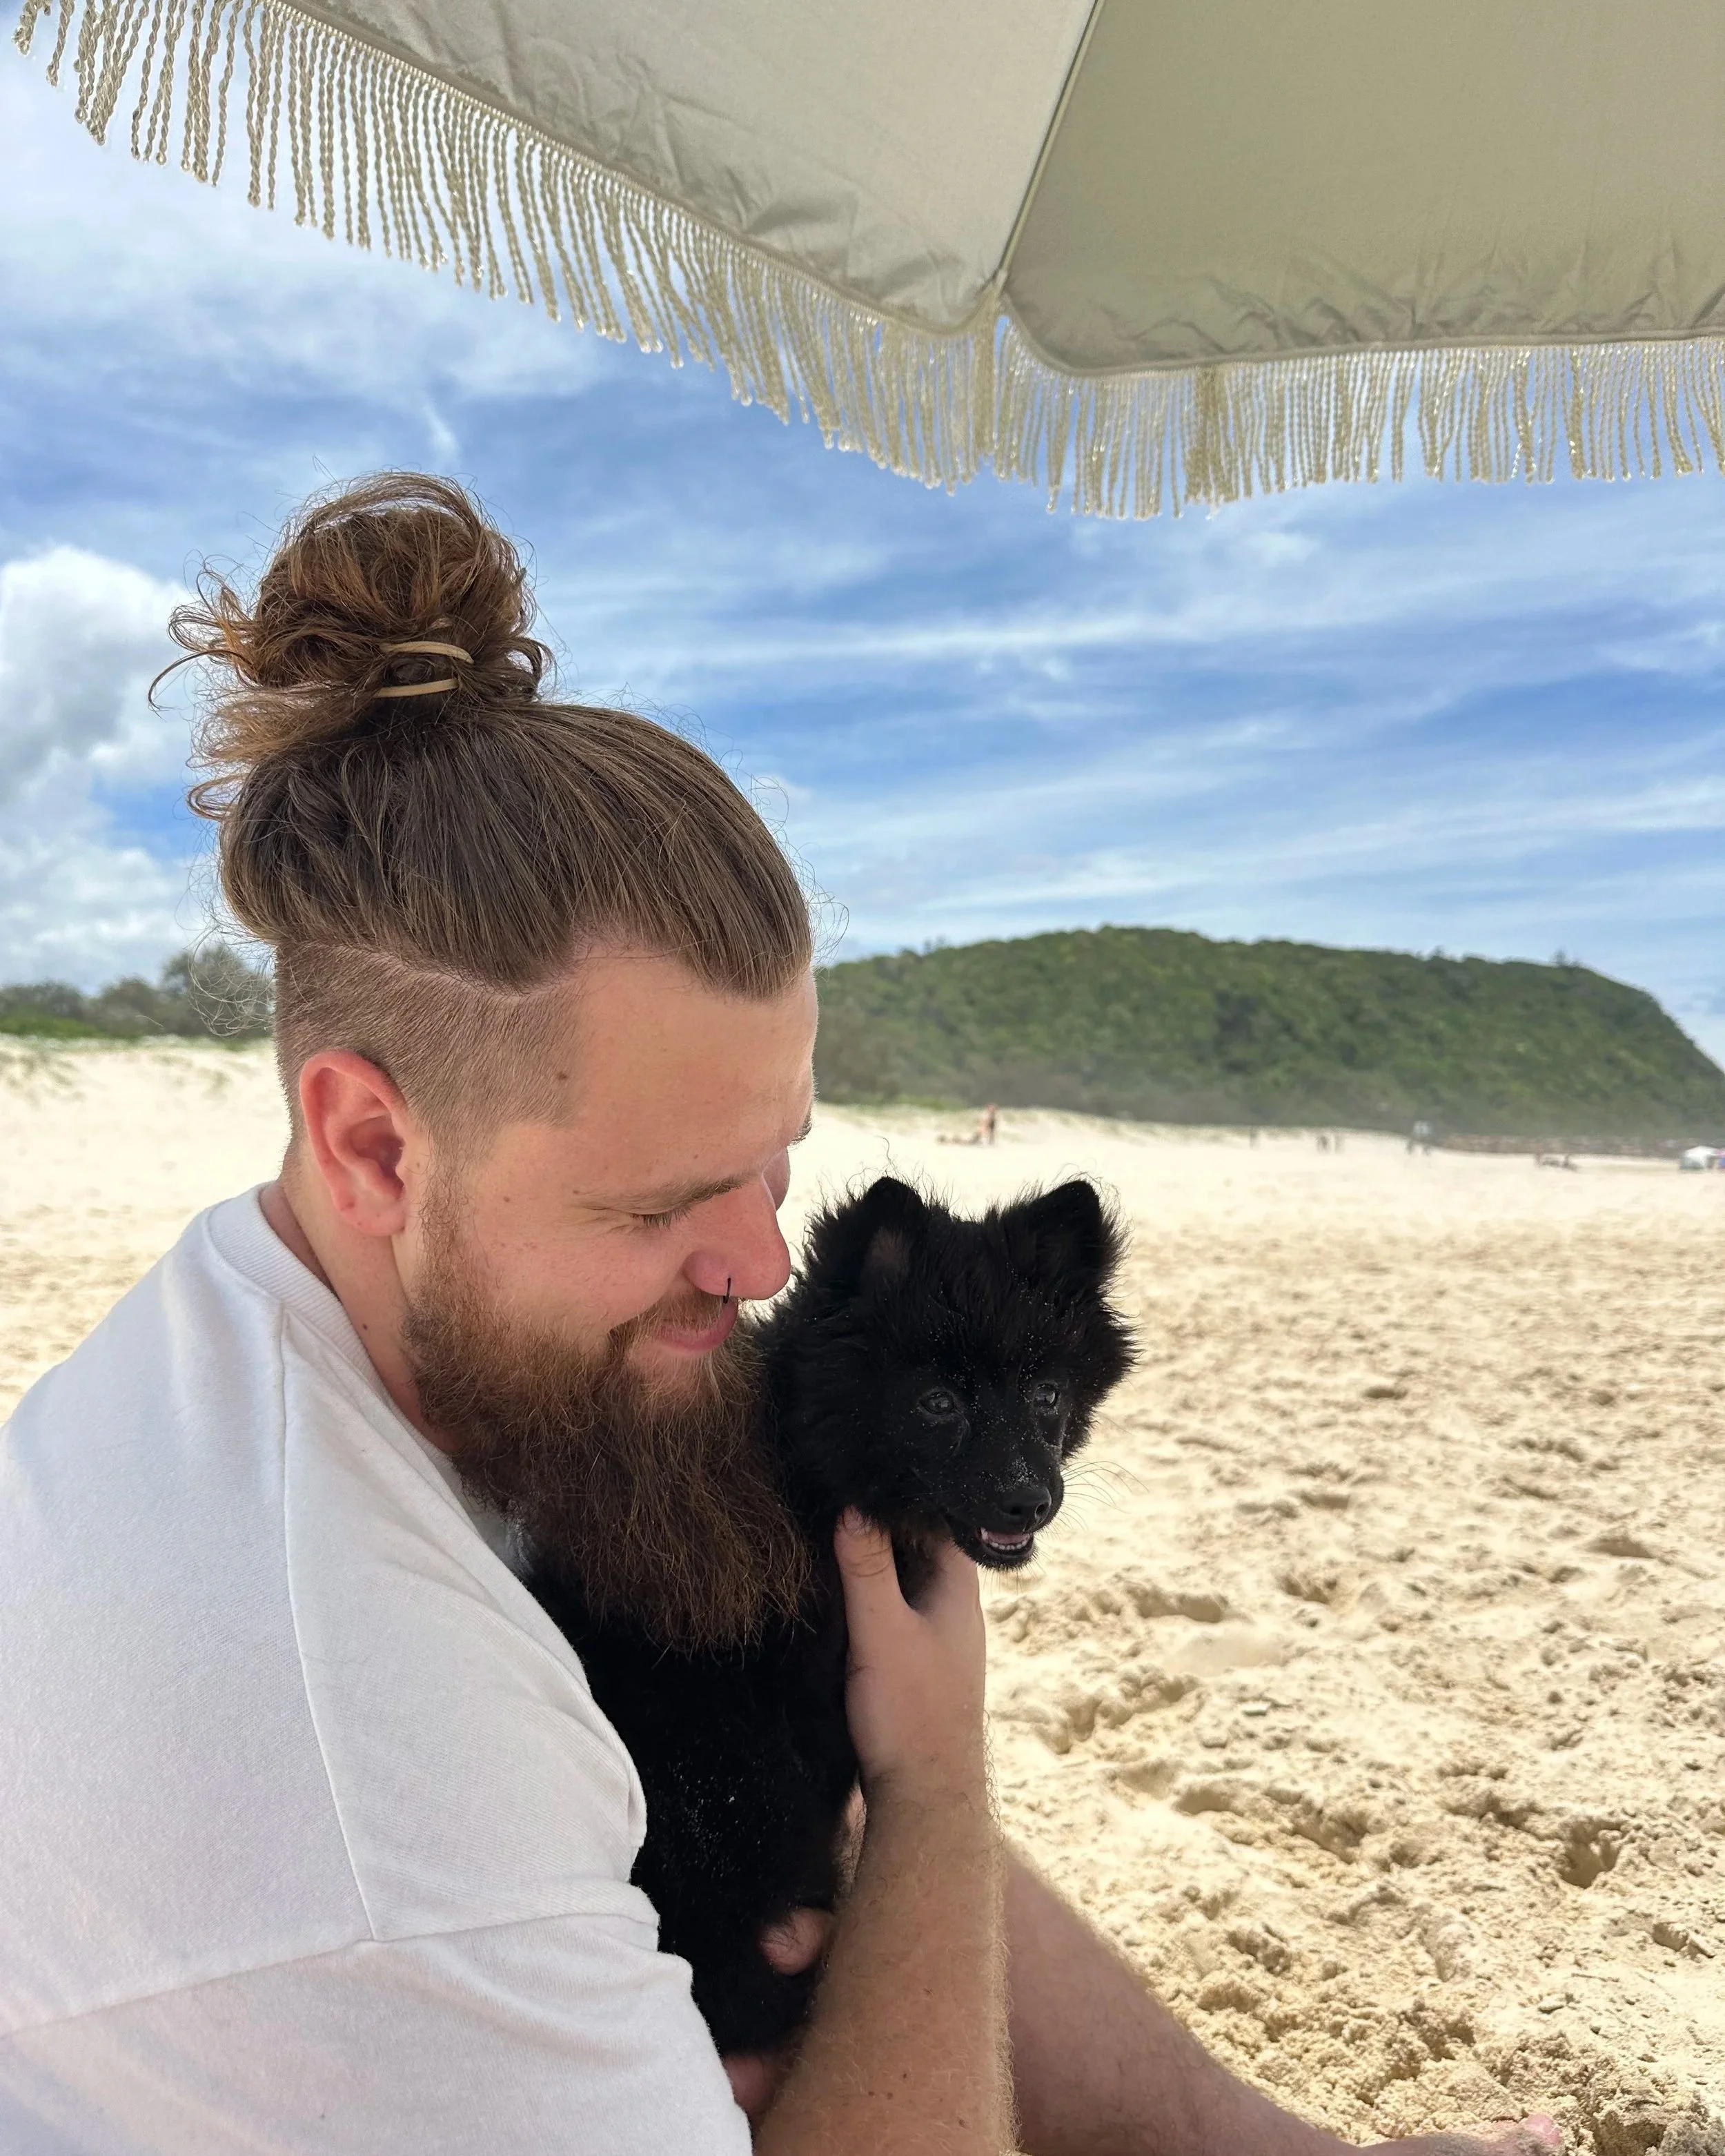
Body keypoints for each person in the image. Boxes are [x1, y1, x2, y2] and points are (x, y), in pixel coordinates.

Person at [0, 477, 1562, 2156]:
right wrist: (939, 1787)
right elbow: (881, 1831)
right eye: (662, 1202)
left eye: (774, 1163)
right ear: (373, 1143)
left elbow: (816, 1769)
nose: (755, 1263)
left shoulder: (406, 1349)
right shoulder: (355, 1763)